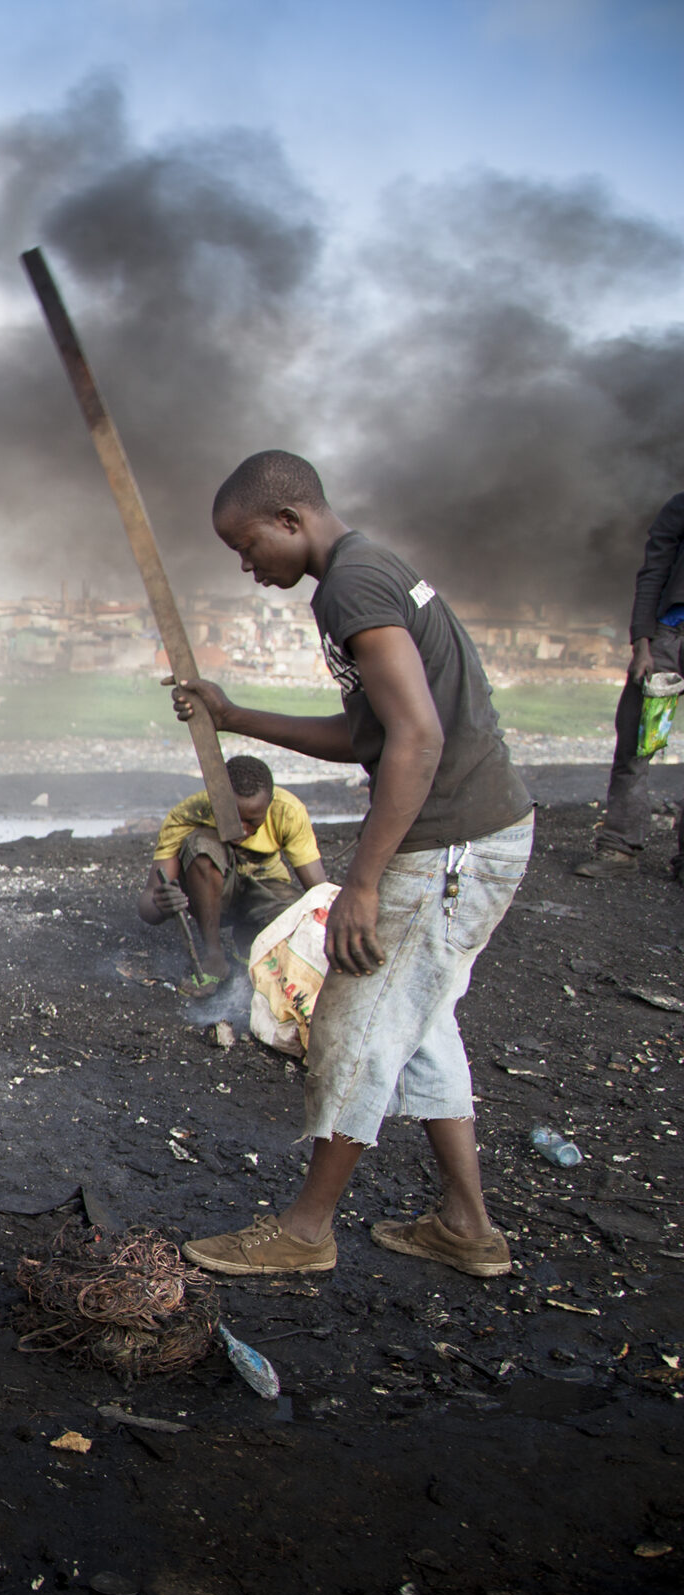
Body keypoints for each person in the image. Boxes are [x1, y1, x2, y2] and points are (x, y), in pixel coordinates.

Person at [171, 451, 532, 1282]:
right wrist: (236, 717)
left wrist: (362, 882)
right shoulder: (368, 573)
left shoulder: (351, 587)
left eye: (248, 543)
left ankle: (304, 1232)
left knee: (352, 1025)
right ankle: (466, 1225)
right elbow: (368, 735)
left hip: (452, 843)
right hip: (473, 834)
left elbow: (418, 739)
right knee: (421, 1022)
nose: (246, 563)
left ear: (291, 521)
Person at [136, 753, 329, 982]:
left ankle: (248, 944)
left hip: (264, 894)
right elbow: (147, 906)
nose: (242, 830)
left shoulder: (288, 811)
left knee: (294, 913)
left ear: (269, 804)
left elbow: (320, 893)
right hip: (211, 900)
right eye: (234, 819)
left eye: (252, 821)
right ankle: (214, 955)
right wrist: (161, 903)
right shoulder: (188, 815)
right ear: (217, 801)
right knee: (201, 846)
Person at [576, 491, 684, 879]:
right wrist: (642, 642)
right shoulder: (680, 505)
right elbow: (653, 571)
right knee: (636, 744)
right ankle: (619, 849)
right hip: (669, 638)